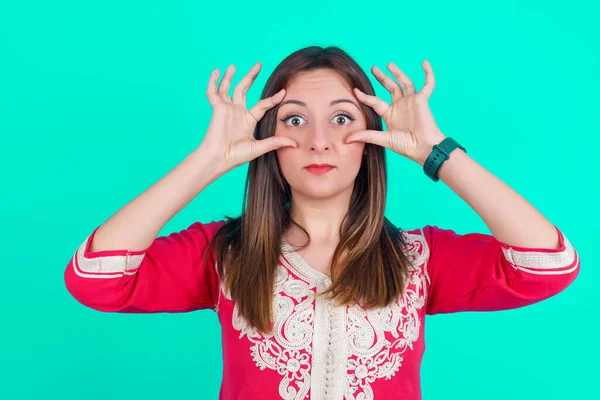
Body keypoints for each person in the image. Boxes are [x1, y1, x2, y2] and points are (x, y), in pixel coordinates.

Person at [63, 46, 580, 400]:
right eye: (294, 119)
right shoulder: (224, 254)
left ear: (374, 137)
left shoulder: (421, 259)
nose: (319, 141)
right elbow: (95, 279)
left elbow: (549, 263)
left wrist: (436, 152)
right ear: (268, 140)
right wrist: (207, 161)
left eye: (341, 118)